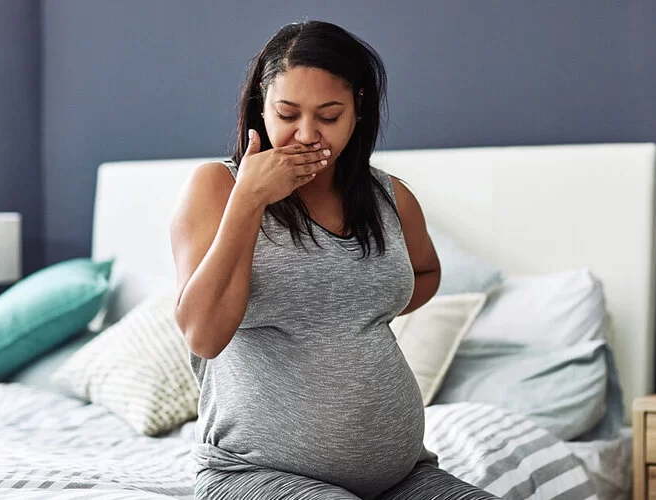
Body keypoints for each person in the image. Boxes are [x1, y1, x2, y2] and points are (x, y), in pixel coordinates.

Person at [171, 20, 500, 500]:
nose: (307, 134)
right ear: (261, 108)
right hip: (251, 473)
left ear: (358, 111)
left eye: (329, 116)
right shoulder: (216, 187)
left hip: (404, 477)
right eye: (287, 114)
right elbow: (203, 334)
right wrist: (249, 200)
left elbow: (426, 273)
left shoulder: (389, 197)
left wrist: (348, 312)